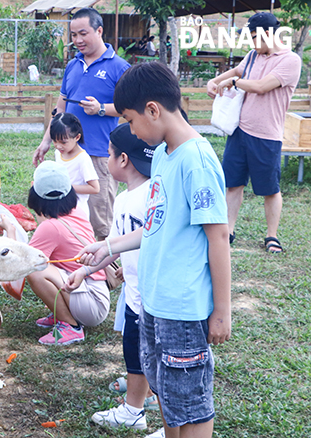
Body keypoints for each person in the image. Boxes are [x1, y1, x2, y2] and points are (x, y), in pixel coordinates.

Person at [77, 62, 231, 438]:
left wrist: (222, 311)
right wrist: (108, 246)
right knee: (165, 388)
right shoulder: (163, 154)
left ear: (152, 110)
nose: (131, 130)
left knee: (191, 401)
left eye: (129, 120)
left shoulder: (197, 161)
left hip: (182, 306)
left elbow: (218, 238)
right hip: (153, 300)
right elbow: (155, 226)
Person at [66, 123, 159, 431]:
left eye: (107, 154)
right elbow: (114, 248)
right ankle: (133, 412)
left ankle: (173, 425)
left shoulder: (154, 196)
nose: (105, 160)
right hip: (132, 295)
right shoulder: (122, 200)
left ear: (122, 160)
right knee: (133, 354)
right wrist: (83, 271)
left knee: (158, 362)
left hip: (156, 298)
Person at [207, 12, 301, 253]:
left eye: (254, 38)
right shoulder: (252, 56)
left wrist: (233, 83)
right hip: (239, 131)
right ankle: (228, 230)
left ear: (268, 34)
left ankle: (272, 236)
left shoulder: (290, 60)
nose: (251, 44)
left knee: (269, 188)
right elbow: (238, 72)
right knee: (233, 184)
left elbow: (260, 86)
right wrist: (215, 80)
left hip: (267, 135)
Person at [33, 7, 130, 241]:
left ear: (99, 31)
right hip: (67, 155)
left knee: (100, 222)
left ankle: (109, 276)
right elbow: (60, 109)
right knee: (66, 217)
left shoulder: (119, 67)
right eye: (73, 35)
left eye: (83, 34)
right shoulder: (72, 66)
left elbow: (131, 109)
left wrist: (101, 109)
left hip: (98, 154)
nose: (77, 40)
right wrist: (47, 141)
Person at [3, 161, 109, 346]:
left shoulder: (50, 227)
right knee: (44, 265)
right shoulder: (76, 212)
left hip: (92, 304)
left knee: (36, 271)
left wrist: (10, 231)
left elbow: (23, 262)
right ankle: (61, 312)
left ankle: (69, 325)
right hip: (96, 295)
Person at [50, 112, 100, 219]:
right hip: (61, 209)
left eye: (63, 142)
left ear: (77, 137)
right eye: (55, 141)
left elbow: (95, 188)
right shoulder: (58, 153)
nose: (58, 146)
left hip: (78, 212)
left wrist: (67, 187)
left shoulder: (82, 159)